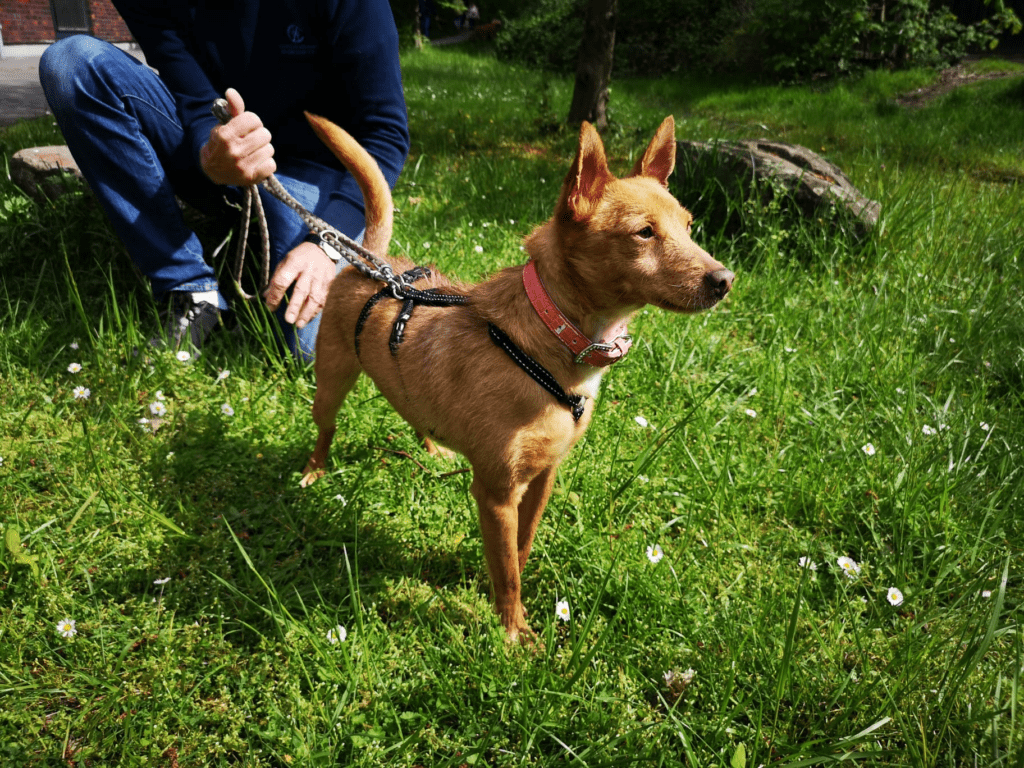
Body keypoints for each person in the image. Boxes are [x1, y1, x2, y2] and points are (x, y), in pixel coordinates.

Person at [39, 0, 410, 362]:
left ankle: (277, 249)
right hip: (213, 146)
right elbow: (194, 95)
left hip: (312, 171)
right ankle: (190, 289)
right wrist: (211, 152)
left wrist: (327, 242)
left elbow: (386, 135)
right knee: (72, 62)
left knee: (306, 350)